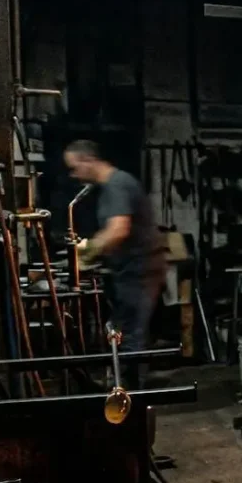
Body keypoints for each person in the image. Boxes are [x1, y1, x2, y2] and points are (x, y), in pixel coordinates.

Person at [64, 139, 166, 389]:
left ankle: (131, 401)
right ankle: (128, 393)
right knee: (125, 333)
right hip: (133, 271)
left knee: (130, 338)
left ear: (89, 160)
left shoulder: (117, 185)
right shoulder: (115, 185)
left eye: (75, 167)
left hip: (138, 273)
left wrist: (87, 251)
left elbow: (118, 230)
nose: (74, 175)